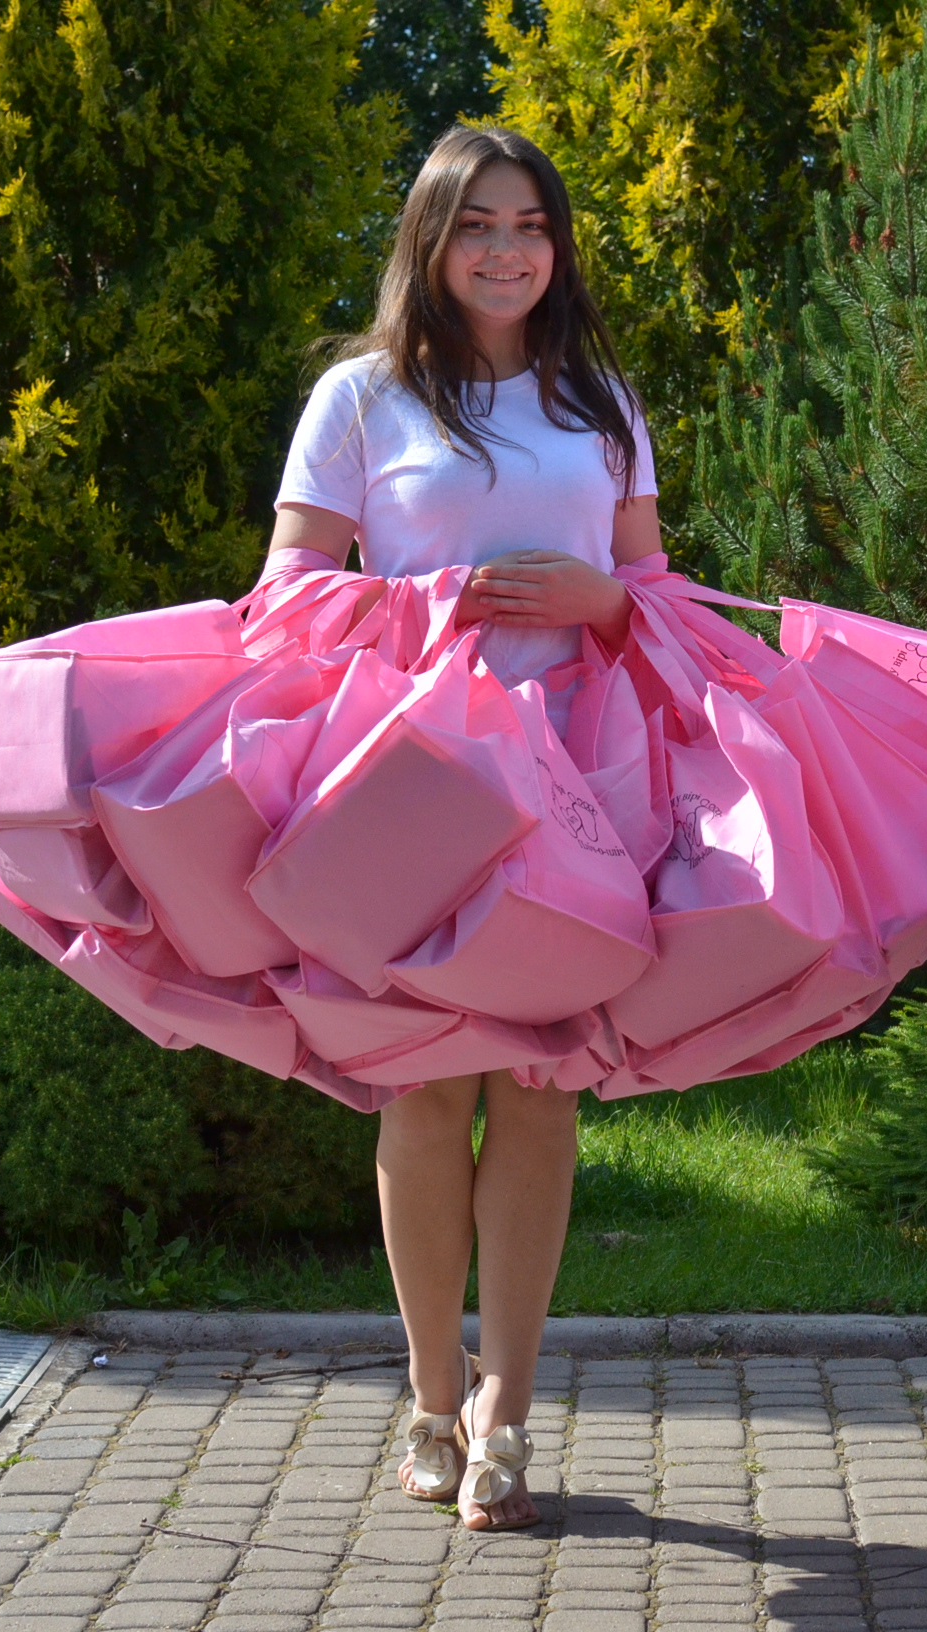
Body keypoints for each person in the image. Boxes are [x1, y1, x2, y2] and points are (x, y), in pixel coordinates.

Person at [266, 125, 655, 1532]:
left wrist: (599, 604)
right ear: (429, 242)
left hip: (572, 785)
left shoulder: (599, 398)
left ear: (557, 248)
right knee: (422, 1088)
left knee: (542, 1091)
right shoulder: (361, 401)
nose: (506, 248)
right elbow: (289, 594)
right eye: (476, 223)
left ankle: (510, 1411)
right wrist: (436, 604)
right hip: (409, 782)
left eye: (531, 225)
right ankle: (434, 1394)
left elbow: (654, 593)